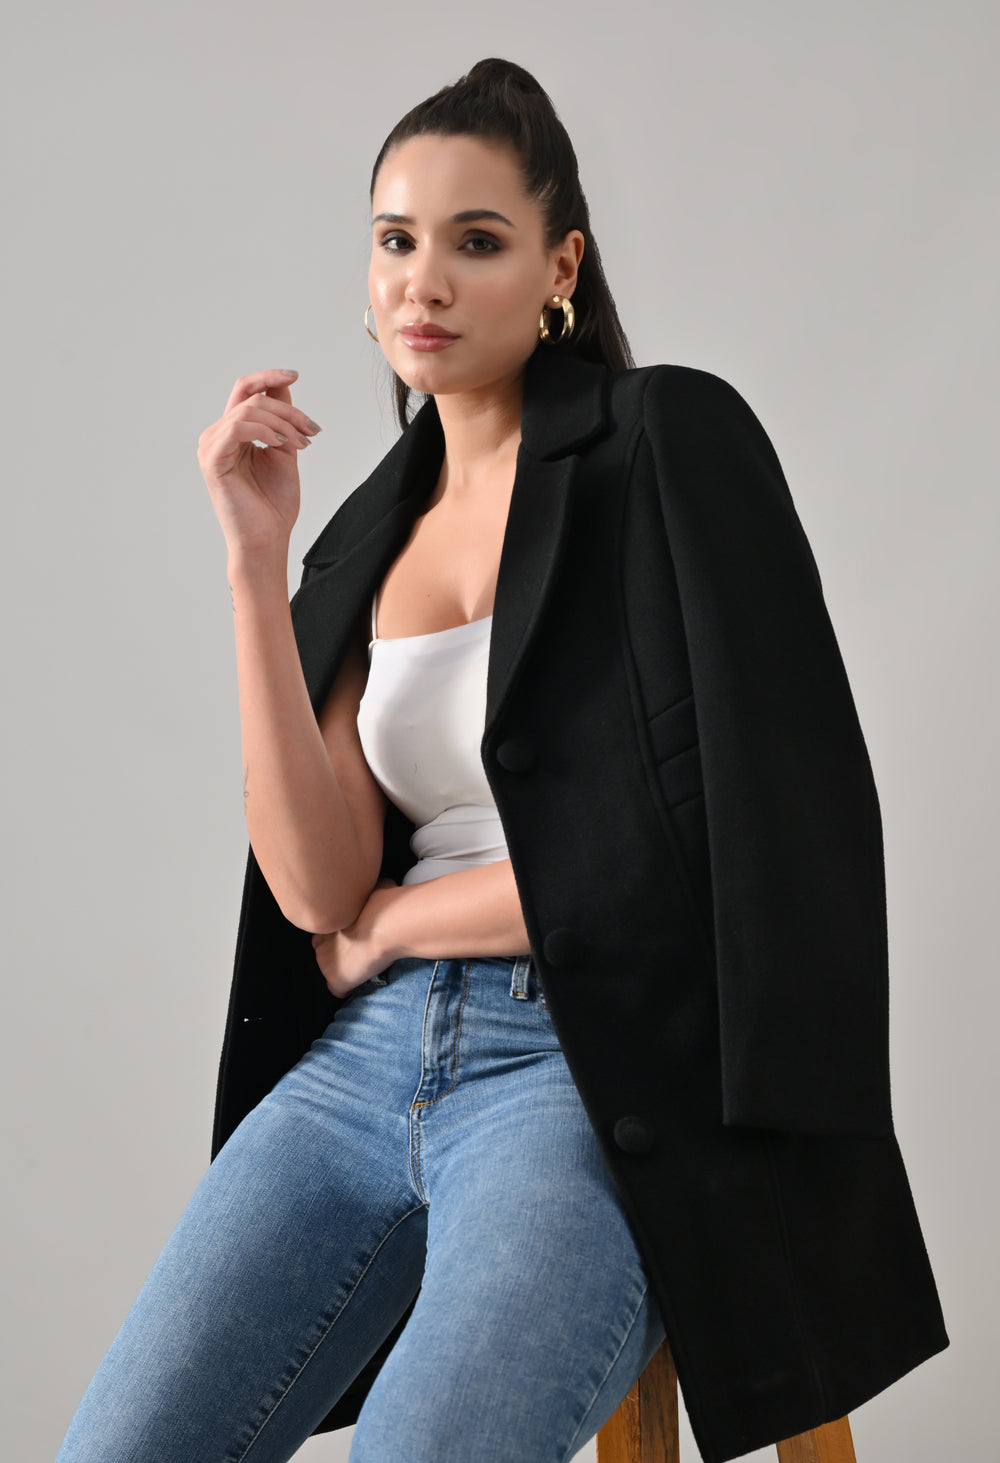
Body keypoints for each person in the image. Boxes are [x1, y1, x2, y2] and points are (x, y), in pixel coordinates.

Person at [55, 58, 947, 1463]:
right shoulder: (360, 539)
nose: (426, 280)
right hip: (359, 1067)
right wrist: (254, 566)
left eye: (477, 241)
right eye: (396, 240)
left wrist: (399, 924)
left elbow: (712, 849)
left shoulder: (666, 444)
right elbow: (317, 888)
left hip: (586, 1074)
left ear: (559, 270)